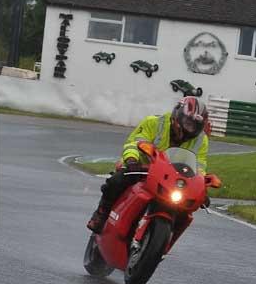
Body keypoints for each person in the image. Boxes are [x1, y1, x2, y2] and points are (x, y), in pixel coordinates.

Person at [86, 96, 210, 233]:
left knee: (187, 209)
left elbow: (199, 165)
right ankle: (101, 214)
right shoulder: (154, 123)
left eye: (195, 126)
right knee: (116, 181)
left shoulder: (201, 140)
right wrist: (132, 160)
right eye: (188, 122)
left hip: (173, 179)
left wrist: (201, 187)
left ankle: (167, 237)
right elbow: (134, 143)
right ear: (178, 115)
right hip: (141, 169)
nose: (190, 128)